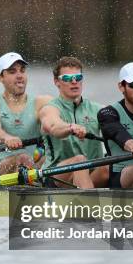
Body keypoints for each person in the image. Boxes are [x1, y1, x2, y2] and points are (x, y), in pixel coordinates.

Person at [39, 56, 107, 188]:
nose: (74, 81)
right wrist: (70, 127)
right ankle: (91, 205)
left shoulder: (99, 110)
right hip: (56, 175)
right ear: (56, 82)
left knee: (110, 166)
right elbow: (53, 126)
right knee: (79, 160)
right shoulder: (50, 109)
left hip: (92, 173)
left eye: (78, 77)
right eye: (67, 79)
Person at [0, 52, 50, 178]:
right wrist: (7, 138)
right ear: (0, 78)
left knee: (57, 159)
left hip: (31, 166)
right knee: (22, 158)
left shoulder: (41, 102)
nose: (19, 76)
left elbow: (53, 121)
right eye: (12, 72)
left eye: (22, 71)